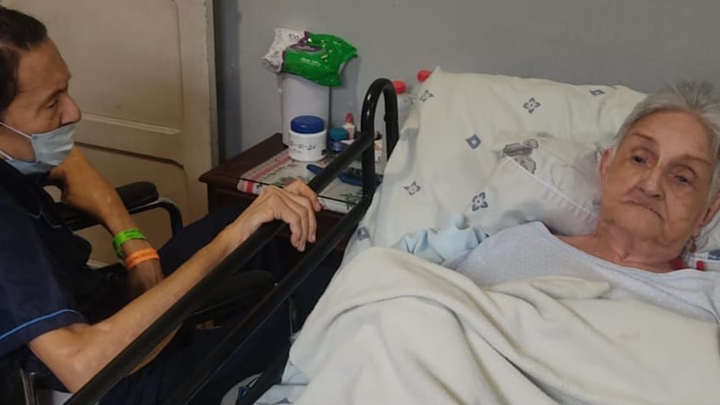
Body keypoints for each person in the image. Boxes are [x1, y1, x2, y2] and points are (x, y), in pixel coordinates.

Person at [0, 6, 322, 404]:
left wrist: (135, 246)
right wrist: (229, 241)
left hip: (113, 304)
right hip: (119, 377)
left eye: (66, 89)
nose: (74, 112)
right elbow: (84, 366)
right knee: (307, 307)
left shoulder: (14, 154)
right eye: (51, 104)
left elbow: (70, 162)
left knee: (263, 231)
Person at [397, 80, 720, 323]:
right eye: (639, 158)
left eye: (682, 177)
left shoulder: (706, 302)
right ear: (606, 167)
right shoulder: (509, 245)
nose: (651, 185)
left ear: (707, 211)